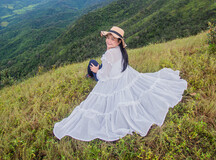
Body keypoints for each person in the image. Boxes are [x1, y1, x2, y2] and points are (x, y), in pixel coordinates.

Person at [53, 26, 187, 141]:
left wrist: (96, 71)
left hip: (110, 79)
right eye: (108, 38)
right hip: (120, 75)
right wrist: (103, 65)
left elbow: (104, 76)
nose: (109, 41)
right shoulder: (121, 52)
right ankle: (90, 72)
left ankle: (89, 73)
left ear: (118, 42)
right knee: (96, 64)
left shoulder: (109, 54)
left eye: (112, 39)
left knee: (91, 63)